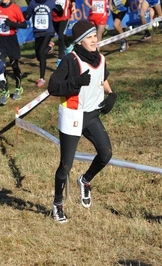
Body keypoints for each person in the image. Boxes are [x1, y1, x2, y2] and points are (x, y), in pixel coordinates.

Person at [47, 20, 117, 223]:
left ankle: (85, 180)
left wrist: (111, 94)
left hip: (92, 115)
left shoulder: (101, 58)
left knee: (106, 154)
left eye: (95, 35)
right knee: (65, 166)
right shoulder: (71, 59)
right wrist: (75, 82)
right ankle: (57, 204)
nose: (94, 39)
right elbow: (53, 87)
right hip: (73, 116)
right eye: (89, 37)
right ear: (79, 41)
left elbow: (102, 78)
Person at [0, 0, 27, 104]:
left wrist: (12, 24)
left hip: (11, 40)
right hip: (0, 40)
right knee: (1, 66)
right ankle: (5, 90)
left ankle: (18, 87)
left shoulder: (15, 8)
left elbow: (24, 25)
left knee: (14, 66)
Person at [24, 0, 63, 88]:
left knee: (41, 53)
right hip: (37, 31)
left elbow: (59, 14)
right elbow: (27, 16)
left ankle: (42, 78)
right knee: (38, 56)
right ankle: (49, 47)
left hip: (48, 31)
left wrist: (60, 10)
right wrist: (24, 15)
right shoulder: (33, 3)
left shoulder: (50, 2)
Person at [52, 0, 76, 67]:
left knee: (61, 36)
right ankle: (68, 45)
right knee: (60, 34)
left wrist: (73, 6)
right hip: (54, 16)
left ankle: (60, 58)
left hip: (64, 16)